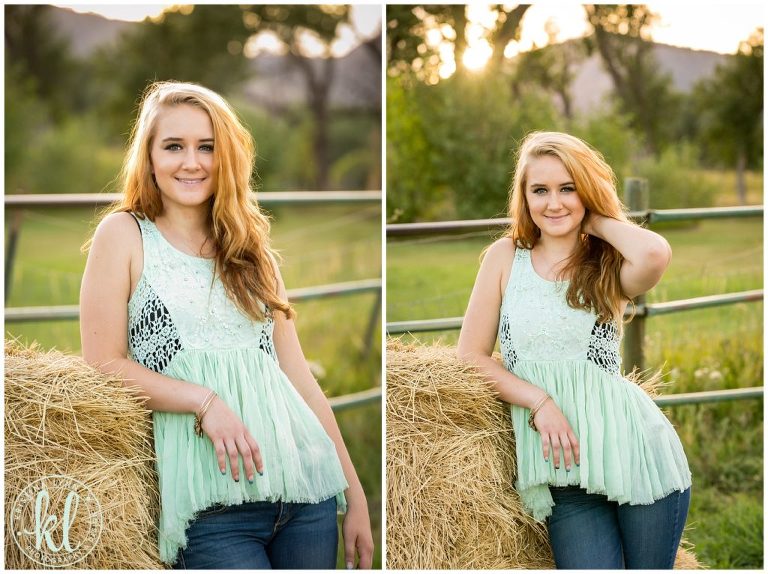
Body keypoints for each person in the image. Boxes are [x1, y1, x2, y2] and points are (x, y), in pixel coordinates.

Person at [80, 81, 374, 569]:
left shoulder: (251, 248)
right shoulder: (125, 235)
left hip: (305, 494)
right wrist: (204, 402)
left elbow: (300, 381)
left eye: (207, 147)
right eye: (174, 146)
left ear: (226, 158)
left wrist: (355, 494)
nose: (191, 162)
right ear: (149, 156)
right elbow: (103, 364)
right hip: (211, 511)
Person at [457, 131, 691, 569]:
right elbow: (470, 356)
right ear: (524, 197)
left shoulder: (607, 264)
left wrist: (595, 219)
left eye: (568, 188)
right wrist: (538, 400)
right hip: (564, 476)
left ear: (587, 191)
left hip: (637, 457)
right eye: (540, 190)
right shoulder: (505, 258)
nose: (554, 203)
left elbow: (656, 253)